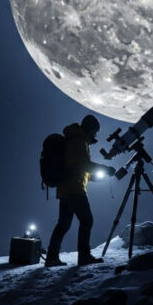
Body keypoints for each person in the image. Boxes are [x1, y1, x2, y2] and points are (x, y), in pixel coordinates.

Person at [45, 114, 115, 267]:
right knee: (86, 220)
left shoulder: (74, 139)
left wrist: (94, 178)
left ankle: (51, 257)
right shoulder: (78, 140)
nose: (95, 135)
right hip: (75, 188)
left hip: (65, 188)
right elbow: (84, 164)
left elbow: (77, 167)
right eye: (95, 131)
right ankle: (84, 256)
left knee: (63, 224)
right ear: (90, 129)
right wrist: (106, 169)